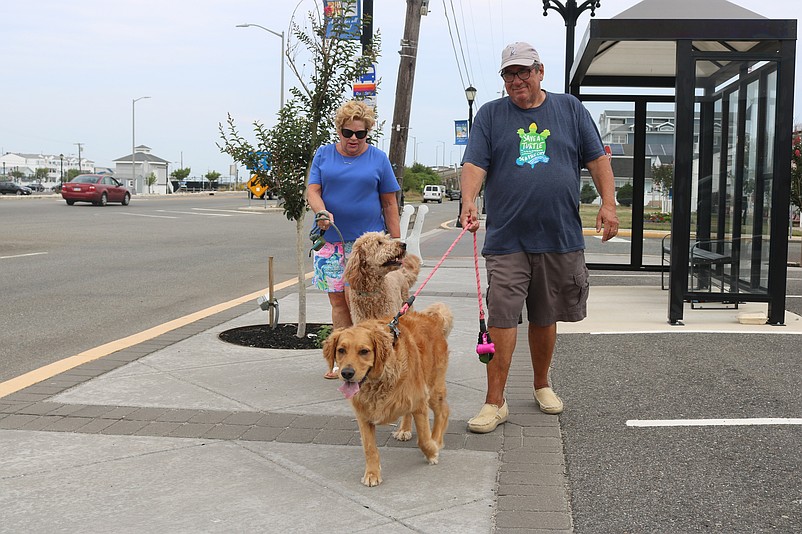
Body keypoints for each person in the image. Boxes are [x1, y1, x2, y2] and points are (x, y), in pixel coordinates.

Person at [460, 42, 619, 433]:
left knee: (546, 317)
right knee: (501, 319)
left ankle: (541, 384)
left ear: (540, 71)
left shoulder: (569, 109)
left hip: (558, 235)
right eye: (508, 74)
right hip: (507, 237)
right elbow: (475, 163)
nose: (516, 80)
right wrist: (468, 201)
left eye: (523, 72)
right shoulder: (491, 115)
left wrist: (609, 203)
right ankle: (494, 402)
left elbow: (598, 158)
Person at [306, 100, 401, 379]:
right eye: (348, 133)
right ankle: (341, 360)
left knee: (358, 300)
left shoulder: (378, 159)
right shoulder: (323, 156)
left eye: (361, 134)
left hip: (365, 246)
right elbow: (312, 191)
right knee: (338, 302)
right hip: (330, 241)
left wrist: (395, 244)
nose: (353, 139)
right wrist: (320, 210)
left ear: (368, 133)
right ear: (339, 130)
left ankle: (368, 361)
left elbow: (389, 204)